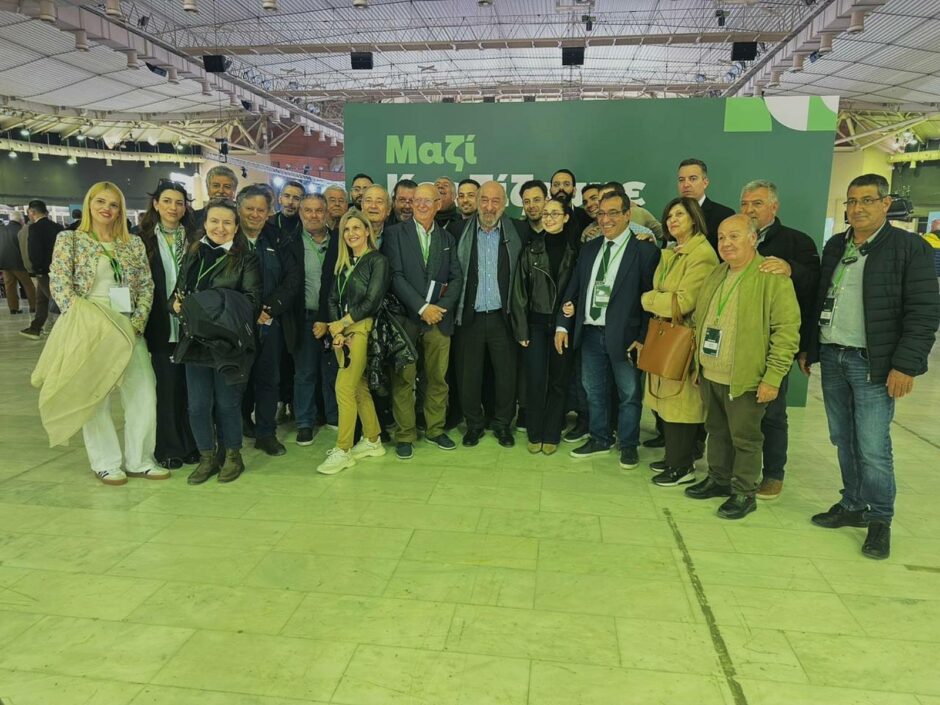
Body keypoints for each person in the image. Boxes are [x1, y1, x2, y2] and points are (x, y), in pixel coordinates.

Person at [802, 174, 940, 559]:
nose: (857, 208)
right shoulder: (837, 245)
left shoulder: (909, 248)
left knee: (873, 446)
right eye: (851, 201)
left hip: (873, 363)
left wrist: (906, 365)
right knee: (842, 437)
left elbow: (924, 312)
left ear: (885, 203)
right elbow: (820, 299)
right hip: (833, 354)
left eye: (867, 200)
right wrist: (809, 348)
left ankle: (880, 519)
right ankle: (852, 504)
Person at [684, 214, 800, 519]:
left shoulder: (772, 277)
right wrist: (698, 366)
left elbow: (786, 333)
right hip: (710, 372)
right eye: (721, 237)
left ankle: (744, 492)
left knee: (745, 438)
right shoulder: (717, 274)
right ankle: (719, 479)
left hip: (746, 377)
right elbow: (700, 321)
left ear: (753, 238)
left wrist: (773, 378)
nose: (726, 243)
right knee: (716, 431)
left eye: (734, 236)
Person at [49, 182, 163, 485]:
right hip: (89, 324)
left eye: (113, 204)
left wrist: (138, 321)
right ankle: (105, 462)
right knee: (95, 396)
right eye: (100, 202)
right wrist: (82, 319)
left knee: (144, 391)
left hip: (127, 324)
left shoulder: (133, 243)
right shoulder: (70, 240)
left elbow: (146, 285)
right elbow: (59, 283)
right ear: (89, 204)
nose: (106, 209)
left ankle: (140, 459)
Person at [555, 191, 660, 468]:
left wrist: (642, 338)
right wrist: (563, 324)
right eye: (601, 213)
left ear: (627, 215)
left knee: (629, 395)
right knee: (593, 391)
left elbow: (650, 301)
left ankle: (628, 444)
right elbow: (574, 288)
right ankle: (600, 438)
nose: (606, 219)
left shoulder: (645, 251)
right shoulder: (589, 249)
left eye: (613, 213)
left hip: (626, 337)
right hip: (590, 332)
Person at [740, 179, 821, 500]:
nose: (749, 209)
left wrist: (791, 269)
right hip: (738, 340)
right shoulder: (734, 238)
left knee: (772, 411)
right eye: (745, 203)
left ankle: (773, 473)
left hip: (775, 342)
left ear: (774, 206)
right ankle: (738, 469)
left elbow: (815, 286)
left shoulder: (797, 242)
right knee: (738, 410)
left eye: (757, 203)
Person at [172, 198, 262, 484]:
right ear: (205, 223)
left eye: (226, 222)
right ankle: (207, 457)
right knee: (197, 405)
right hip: (195, 341)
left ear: (236, 227)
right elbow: (178, 291)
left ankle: (233, 455)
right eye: (214, 221)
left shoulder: (246, 258)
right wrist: (176, 305)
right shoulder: (193, 253)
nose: (220, 228)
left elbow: (251, 302)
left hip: (228, 342)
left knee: (227, 403)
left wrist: (209, 308)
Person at [642, 197, 719, 487]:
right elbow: (666, 292)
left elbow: (684, 301)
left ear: (694, 219)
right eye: (669, 216)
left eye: (679, 215)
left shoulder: (702, 254)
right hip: (667, 332)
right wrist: (660, 299)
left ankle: (682, 467)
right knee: (667, 402)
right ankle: (674, 457)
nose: (672, 220)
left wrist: (648, 300)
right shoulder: (673, 251)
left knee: (682, 404)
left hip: (684, 337)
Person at [384, 183, 463, 459]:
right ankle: (405, 434)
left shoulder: (447, 238)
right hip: (406, 319)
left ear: (438, 205)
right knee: (403, 379)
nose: (420, 205)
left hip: (438, 320)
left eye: (427, 201)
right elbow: (395, 276)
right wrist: (421, 308)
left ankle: (435, 429)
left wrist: (439, 309)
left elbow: (456, 278)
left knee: (437, 378)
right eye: (416, 200)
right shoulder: (395, 234)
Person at [318, 209, 391, 475]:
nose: (351, 233)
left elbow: (372, 301)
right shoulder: (343, 262)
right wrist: (336, 330)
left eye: (357, 228)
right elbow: (331, 299)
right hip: (343, 330)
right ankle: (372, 440)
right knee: (358, 387)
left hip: (361, 328)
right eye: (347, 230)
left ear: (367, 231)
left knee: (344, 387)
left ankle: (343, 450)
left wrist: (344, 323)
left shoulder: (377, 261)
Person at [454, 181, 525, 448]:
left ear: (504, 204)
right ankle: (473, 425)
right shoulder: (459, 231)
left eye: (496, 201)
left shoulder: (518, 232)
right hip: (469, 316)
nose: (489, 207)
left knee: (506, 376)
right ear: (476, 202)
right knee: (469, 377)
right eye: (484, 200)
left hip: (502, 317)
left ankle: (502, 424)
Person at [138, 179, 199, 470]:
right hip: (161, 324)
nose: (173, 208)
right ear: (156, 204)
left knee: (190, 389)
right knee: (166, 388)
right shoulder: (142, 239)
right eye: (167, 201)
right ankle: (169, 447)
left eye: (179, 202)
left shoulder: (196, 238)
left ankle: (192, 445)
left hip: (193, 325)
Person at [239, 184, 302, 457]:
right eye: (250, 209)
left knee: (268, 379)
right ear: (239, 209)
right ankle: (237, 430)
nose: (255, 214)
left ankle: (266, 433)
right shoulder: (229, 237)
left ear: (268, 212)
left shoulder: (277, 238)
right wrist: (246, 311)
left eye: (261, 210)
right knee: (237, 380)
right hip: (236, 322)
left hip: (269, 321)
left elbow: (292, 278)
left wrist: (271, 308)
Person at [511, 198, 577, 454]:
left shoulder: (576, 250)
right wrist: (522, 329)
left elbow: (581, 287)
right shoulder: (531, 250)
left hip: (563, 327)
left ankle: (552, 432)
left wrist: (573, 309)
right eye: (546, 214)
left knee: (559, 381)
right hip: (536, 325)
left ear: (566, 217)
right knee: (536, 380)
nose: (549, 218)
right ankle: (535, 432)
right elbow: (519, 292)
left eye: (555, 214)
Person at [293, 194, 339, 445]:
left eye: (319, 210)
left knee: (333, 370)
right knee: (305, 372)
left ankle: (334, 416)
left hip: (335, 318)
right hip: (304, 318)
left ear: (327, 212)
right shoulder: (291, 243)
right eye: (308, 210)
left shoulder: (339, 240)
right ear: (300, 213)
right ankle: (304, 422)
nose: (313, 215)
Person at [20, 200, 64, 340]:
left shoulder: (34, 228)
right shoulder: (58, 227)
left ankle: (60, 328)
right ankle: (35, 327)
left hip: (43, 270)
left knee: (54, 299)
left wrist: (36, 268)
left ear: (32, 212)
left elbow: (34, 250)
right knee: (41, 299)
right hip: (58, 268)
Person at [677, 158, 735, 251]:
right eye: (681, 180)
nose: (686, 184)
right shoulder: (672, 216)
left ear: (705, 182)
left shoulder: (724, 215)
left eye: (693, 179)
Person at [2, 211, 36, 315]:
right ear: (21, 220)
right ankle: (34, 307)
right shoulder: (22, 230)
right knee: (28, 285)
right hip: (19, 263)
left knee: (9, 286)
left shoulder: (2, 229)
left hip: (5, 263)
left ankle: (13, 308)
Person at [361, 184, 392, 249]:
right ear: (362, 207)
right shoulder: (352, 232)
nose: (373, 206)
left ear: (388, 209)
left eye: (379, 202)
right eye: (368, 201)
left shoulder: (395, 235)